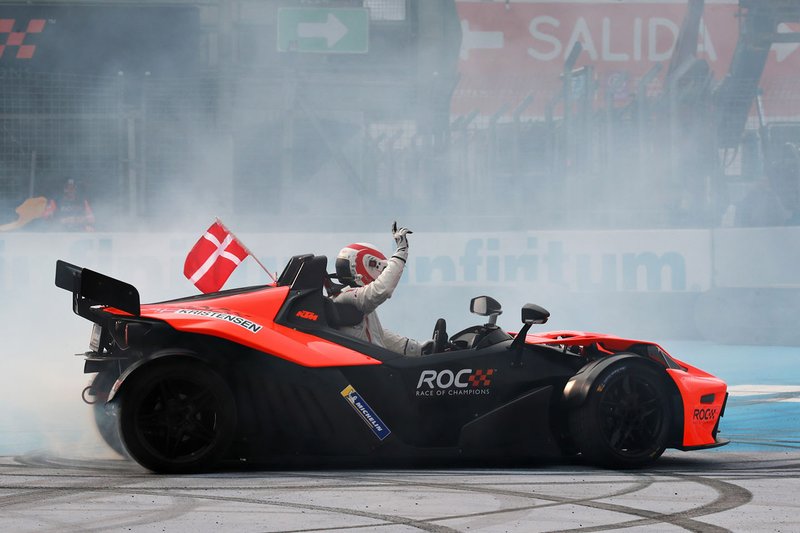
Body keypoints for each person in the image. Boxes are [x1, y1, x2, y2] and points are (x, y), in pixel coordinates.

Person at [333, 222, 432, 356]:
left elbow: (378, 334)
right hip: (366, 370)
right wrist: (401, 252)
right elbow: (382, 289)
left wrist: (416, 348)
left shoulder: (349, 301)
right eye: (381, 268)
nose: (381, 274)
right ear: (366, 263)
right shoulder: (347, 297)